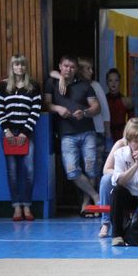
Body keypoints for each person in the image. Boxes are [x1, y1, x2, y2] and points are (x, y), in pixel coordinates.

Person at [43, 55, 101, 215]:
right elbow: (46, 104)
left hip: (87, 132)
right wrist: (57, 108)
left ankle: (87, 204)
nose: (68, 69)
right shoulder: (52, 82)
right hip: (66, 135)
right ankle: (96, 197)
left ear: (76, 70)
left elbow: (97, 107)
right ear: (60, 66)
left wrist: (85, 112)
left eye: (72, 67)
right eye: (65, 66)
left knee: (91, 170)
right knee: (72, 171)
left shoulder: (85, 85)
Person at [0, 54, 42, 221]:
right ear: (12, 67)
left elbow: (35, 111)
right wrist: (6, 131)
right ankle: (16, 207)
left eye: (22, 65)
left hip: (27, 133)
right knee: (12, 172)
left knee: (29, 171)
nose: (19, 68)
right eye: (16, 65)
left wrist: (25, 133)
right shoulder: (2, 86)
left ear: (26, 67)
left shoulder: (33, 86)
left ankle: (27, 206)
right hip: (7, 133)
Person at [97, 117, 138, 238]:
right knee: (105, 180)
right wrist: (121, 173)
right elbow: (106, 169)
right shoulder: (120, 144)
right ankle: (105, 222)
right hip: (123, 180)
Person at [105, 68, 132, 143]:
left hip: (122, 135)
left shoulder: (127, 101)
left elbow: (131, 122)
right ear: (107, 82)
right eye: (110, 80)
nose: (113, 83)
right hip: (106, 134)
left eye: (116, 80)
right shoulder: (103, 101)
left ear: (120, 82)